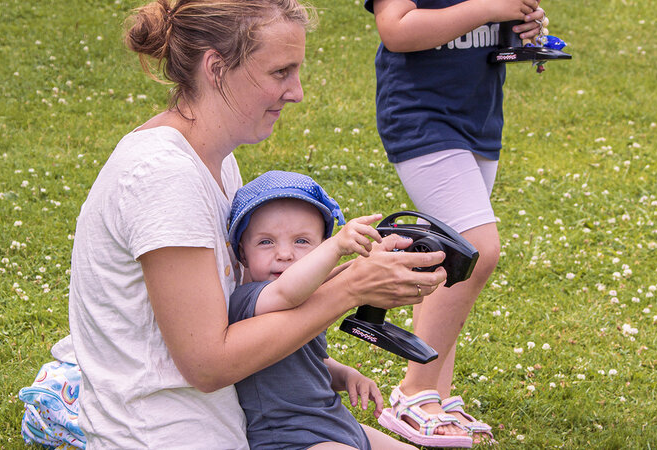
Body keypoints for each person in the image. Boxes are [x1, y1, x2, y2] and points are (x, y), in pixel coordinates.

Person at [33, 1, 450, 448]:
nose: (297, 92)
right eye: (280, 72)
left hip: (236, 425)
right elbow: (207, 364)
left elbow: (254, 301)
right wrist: (349, 290)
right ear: (216, 68)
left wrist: (357, 270)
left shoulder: (215, 161)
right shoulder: (162, 175)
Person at [364, 0, 549, 447]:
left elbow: (488, 25)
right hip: (422, 118)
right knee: (476, 247)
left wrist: (525, 28)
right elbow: (398, 30)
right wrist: (490, 7)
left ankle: (435, 397)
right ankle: (413, 393)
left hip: (477, 120)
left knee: (449, 260)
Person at [226, 170, 415, 450]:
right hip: (292, 438)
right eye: (266, 241)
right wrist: (338, 245)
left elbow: (309, 362)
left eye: (301, 241)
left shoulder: (311, 296)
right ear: (243, 253)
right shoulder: (250, 299)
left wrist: (346, 375)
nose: (285, 254)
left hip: (336, 422)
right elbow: (288, 290)